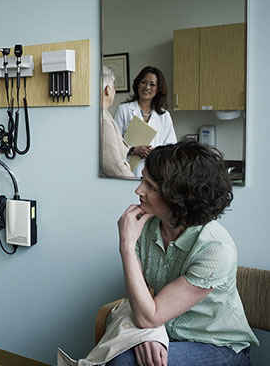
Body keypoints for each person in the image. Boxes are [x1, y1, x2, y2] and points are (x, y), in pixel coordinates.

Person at [109, 141, 258, 366]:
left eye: (150, 186)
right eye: (143, 180)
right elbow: (139, 303)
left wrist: (126, 247)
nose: (138, 191)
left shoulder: (215, 248)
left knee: (124, 363)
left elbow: (147, 316)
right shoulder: (146, 227)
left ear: (178, 197)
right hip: (166, 332)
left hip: (217, 345)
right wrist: (147, 334)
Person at [114, 66, 177, 177]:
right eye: (143, 82)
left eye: (152, 84)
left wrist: (154, 153)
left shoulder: (164, 116)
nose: (147, 87)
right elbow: (114, 143)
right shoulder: (124, 110)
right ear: (138, 84)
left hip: (155, 172)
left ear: (158, 89)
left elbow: (171, 148)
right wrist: (133, 150)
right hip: (129, 171)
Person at [101, 66, 135, 177]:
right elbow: (114, 166)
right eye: (114, 88)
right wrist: (133, 182)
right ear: (107, 89)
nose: (114, 92)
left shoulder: (103, 114)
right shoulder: (103, 120)